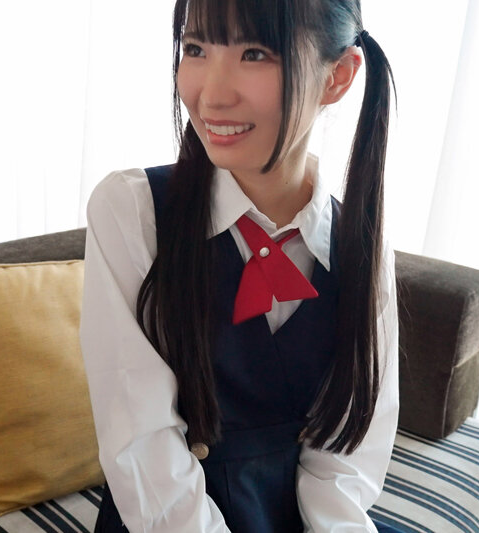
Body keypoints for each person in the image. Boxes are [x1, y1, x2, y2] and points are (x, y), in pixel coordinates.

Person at [79, 0, 400, 531]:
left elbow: (344, 464)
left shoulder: (363, 248)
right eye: (195, 48)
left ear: (337, 77)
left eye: (255, 53)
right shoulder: (132, 210)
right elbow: (141, 445)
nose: (211, 94)